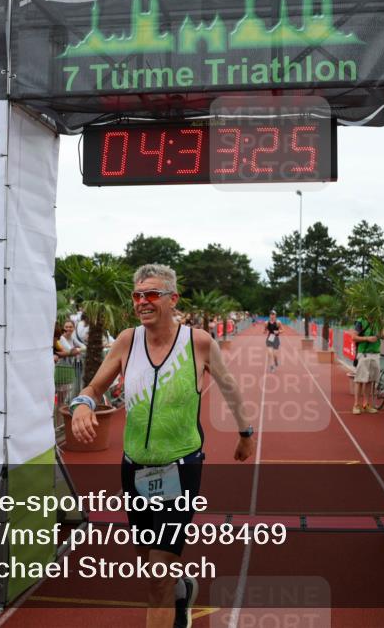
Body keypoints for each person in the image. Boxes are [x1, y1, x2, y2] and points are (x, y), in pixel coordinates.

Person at [69, 264, 255, 628]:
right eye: (137, 295)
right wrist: (81, 406)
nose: (142, 302)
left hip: (180, 468)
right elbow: (92, 388)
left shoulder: (198, 342)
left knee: (156, 577)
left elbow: (229, 386)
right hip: (134, 468)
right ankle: (181, 587)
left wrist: (245, 433)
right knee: (148, 562)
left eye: (152, 294)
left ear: (173, 299)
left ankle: (172, 596)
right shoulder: (127, 340)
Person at [350, 317, 383, 414]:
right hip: (364, 354)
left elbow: (383, 334)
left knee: (370, 380)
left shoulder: (378, 320)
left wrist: (381, 335)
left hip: (375, 354)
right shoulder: (361, 321)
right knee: (359, 380)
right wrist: (367, 338)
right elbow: (353, 337)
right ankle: (356, 405)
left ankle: (366, 404)